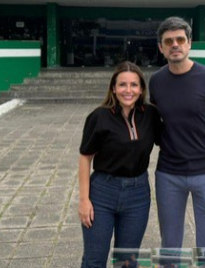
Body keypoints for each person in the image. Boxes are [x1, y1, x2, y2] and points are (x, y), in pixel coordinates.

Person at [149, 16, 205, 250]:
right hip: (168, 174)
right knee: (170, 244)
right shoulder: (156, 82)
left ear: (190, 43)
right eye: (168, 41)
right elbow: (154, 123)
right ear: (161, 47)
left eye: (180, 39)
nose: (174, 45)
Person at [78, 61, 162, 268]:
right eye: (122, 85)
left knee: (127, 261)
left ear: (141, 88)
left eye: (134, 85)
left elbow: (170, 140)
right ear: (113, 88)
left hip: (138, 195)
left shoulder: (150, 115)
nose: (128, 90)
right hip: (102, 193)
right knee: (94, 259)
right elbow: (85, 158)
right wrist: (83, 201)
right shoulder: (99, 117)